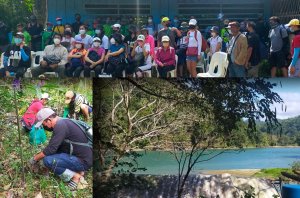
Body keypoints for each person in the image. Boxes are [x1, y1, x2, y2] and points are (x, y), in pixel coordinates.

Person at [29, 108, 92, 190]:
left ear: (49, 120)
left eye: (44, 124)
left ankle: (76, 176)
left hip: (84, 161)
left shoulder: (60, 125)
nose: (45, 127)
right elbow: (55, 146)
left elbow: (51, 149)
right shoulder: (64, 121)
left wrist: (34, 159)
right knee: (51, 155)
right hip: (86, 157)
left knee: (48, 160)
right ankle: (80, 170)